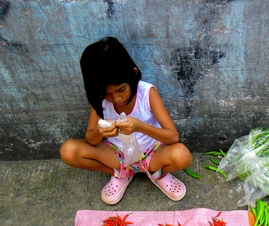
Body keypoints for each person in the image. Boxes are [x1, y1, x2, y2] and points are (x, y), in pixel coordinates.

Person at [60, 37, 192, 204]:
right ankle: (120, 173)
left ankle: (158, 174)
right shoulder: (100, 101)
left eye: (121, 89)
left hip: (152, 153)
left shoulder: (147, 93)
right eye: (107, 94)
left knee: (182, 155)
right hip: (117, 155)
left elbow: (173, 137)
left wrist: (140, 127)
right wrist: (100, 132)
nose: (116, 98)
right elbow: (91, 140)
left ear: (134, 74)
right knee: (68, 151)